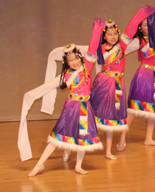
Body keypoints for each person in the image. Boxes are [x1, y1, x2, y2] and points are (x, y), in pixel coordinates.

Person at [25, 19, 106, 176]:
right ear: (66, 63)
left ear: (79, 57)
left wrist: (97, 30)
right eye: (71, 60)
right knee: (58, 136)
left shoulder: (87, 66)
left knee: (83, 136)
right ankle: (40, 164)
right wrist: (31, 95)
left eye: (76, 58)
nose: (75, 62)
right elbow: (53, 85)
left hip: (85, 108)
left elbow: (92, 46)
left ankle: (78, 165)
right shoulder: (67, 74)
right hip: (71, 107)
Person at [117, 0, 155, 150]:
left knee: (152, 109)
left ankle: (149, 138)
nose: (149, 27)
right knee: (133, 109)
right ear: (139, 27)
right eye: (145, 25)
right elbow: (122, 47)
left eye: (150, 24)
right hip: (143, 74)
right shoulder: (137, 42)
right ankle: (122, 138)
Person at [90, 20, 132, 160]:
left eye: (115, 34)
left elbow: (131, 28)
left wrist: (146, 12)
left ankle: (108, 151)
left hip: (118, 85)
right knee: (92, 116)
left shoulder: (122, 46)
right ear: (104, 36)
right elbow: (94, 41)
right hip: (103, 84)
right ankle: (76, 146)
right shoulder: (100, 48)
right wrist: (97, 27)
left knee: (111, 119)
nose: (113, 37)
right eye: (109, 34)